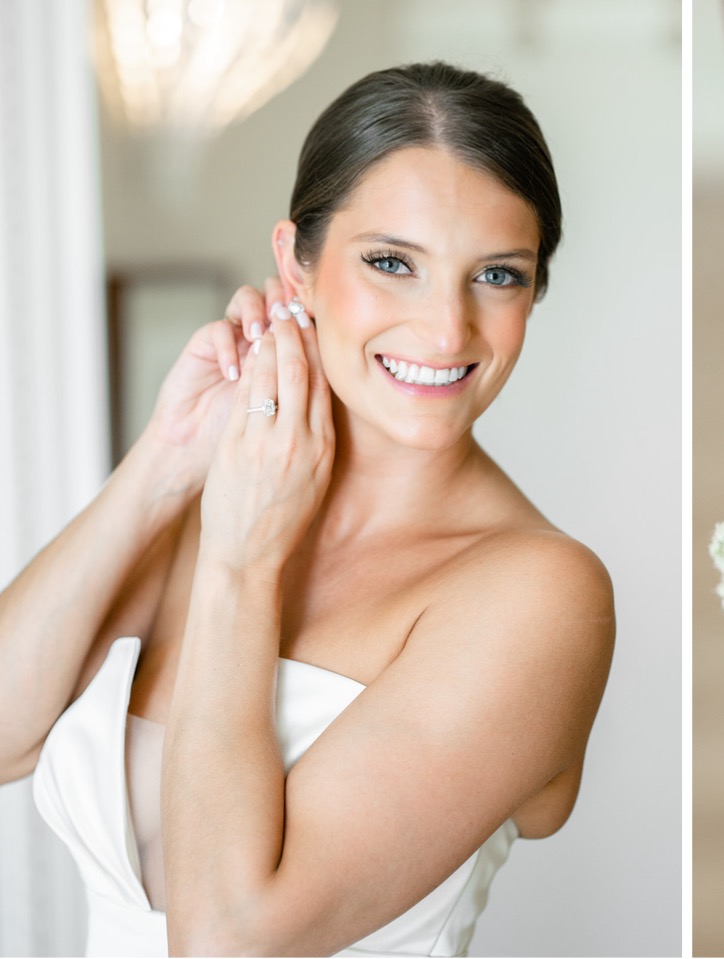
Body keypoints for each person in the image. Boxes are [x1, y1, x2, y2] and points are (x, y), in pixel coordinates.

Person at [0, 61, 614, 957]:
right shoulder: (212, 491)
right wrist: (166, 460)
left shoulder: (541, 595)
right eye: (392, 262)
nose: (447, 330)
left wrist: (243, 562)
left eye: (497, 276)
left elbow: (226, 939)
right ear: (297, 263)